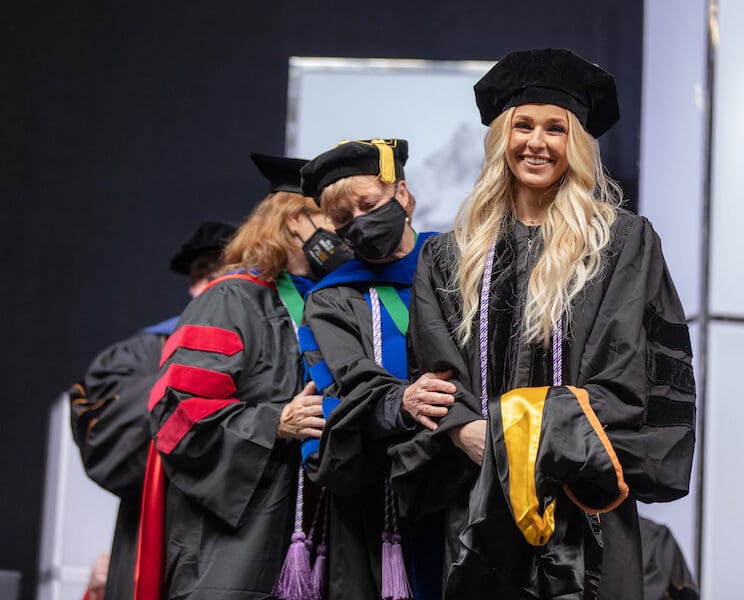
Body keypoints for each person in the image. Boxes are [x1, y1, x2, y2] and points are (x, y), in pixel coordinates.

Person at [389, 48, 697, 600]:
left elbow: (626, 376)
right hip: (481, 504)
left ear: (575, 144)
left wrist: (520, 443)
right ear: (500, 137)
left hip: (586, 504)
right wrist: (464, 430)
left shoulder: (622, 243)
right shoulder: (450, 255)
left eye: (556, 128)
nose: (537, 142)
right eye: (522, 125)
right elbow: (437, 370)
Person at [139, 153, 350, 599]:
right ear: (295, 221)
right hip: (233, 547)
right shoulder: (232, 301)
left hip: (322, 539)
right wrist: (276, 422)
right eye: (336, 218)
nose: (346, 233)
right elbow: (178, 417)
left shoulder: (338, 307)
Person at [298, 139, 455, 600]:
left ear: (402, 194)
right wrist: (400, 402)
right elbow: (347, 390)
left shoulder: (462, 265)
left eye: (369, 205)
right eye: (343, 220)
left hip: (473, 482)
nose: (359, 224)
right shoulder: (331, 301)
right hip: (387, 495)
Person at [70, 220, 235, 600]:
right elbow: (106, 446)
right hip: (155, 540)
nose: (213, 283)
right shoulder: (140, 355)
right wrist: (195, 388)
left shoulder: (275, 344)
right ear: (192, 284)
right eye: (204, 273)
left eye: (225, 271)